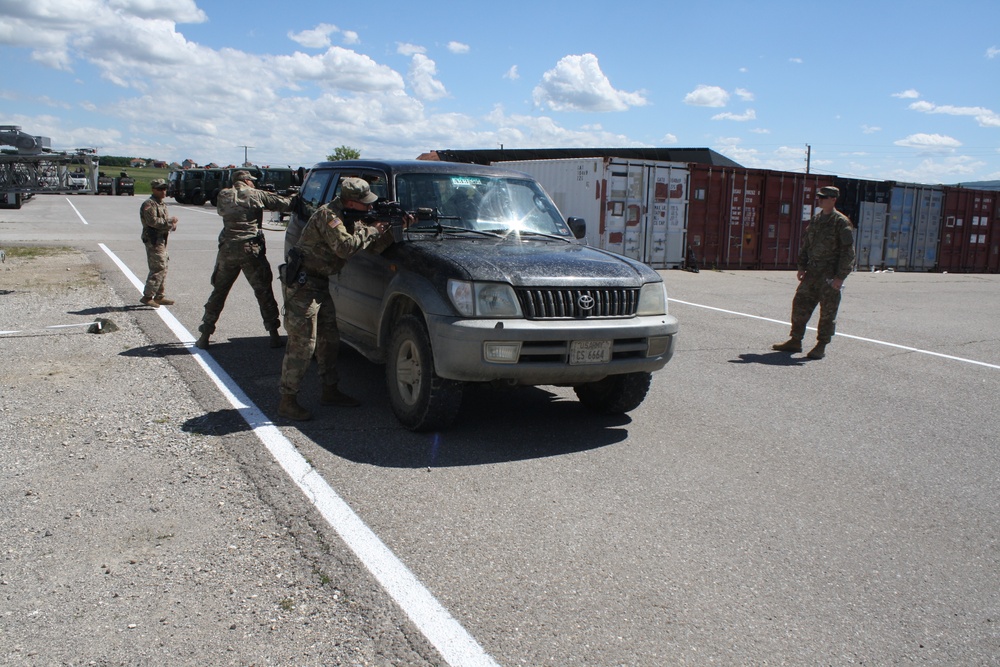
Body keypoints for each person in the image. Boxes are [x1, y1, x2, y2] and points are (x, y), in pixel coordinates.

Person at [277, 177, 397, 421]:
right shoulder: (329, 216)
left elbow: (373, 247)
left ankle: (330, 391)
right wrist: (373, 229)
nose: (369, 207)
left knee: (329, 339)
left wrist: (393, 229)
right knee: (304, 343)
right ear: (350, 202)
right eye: (364, 204)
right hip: (304, 284)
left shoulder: (351, 217)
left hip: (319, 283)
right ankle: (287, 400)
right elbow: (345, 247)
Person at [195, 170, 294, 349]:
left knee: (219, 292)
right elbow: (286, 205)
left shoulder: (223, 194)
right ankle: (274, 334)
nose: (253, 184)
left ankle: (205, 335)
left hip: (227, 250)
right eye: (252, 181)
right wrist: (293, 195)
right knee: (263, 292)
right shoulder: (256, 194)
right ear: (246, 181)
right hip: (250, 250)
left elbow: (222, 212)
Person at [772, 185, 855, 359]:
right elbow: (806, 244)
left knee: (827, 312)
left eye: (824, 197)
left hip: (830, 275)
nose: (821, 200)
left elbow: (848, 252)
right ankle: (795, 340)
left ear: (833, 199)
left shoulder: (841, 222)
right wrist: (801, 266)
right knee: (800, 304)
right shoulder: (816, 220)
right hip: (812, 272)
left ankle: (821, 345)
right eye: (820, 197)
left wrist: (840, 277)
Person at [139, 179, 178, 307]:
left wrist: (171, 225)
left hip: (162, 239)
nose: (163, 192)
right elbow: (153, 222)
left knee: (164, 266)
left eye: (165, 189)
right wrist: (169, 222)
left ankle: (159, 295)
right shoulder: (149, 205)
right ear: (153, 189)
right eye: (160, 189)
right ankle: (148, 296)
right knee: (158, 267)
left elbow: (164, 222)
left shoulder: (162, 204)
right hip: (153, 239)